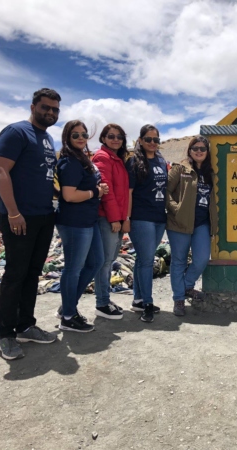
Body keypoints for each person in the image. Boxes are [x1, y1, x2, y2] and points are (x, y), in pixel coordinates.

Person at [0, 88, 61, 360]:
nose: (51, 113)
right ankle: (6, 335)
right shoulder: (16, 132)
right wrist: (12, 212)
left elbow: (43, 176)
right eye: (46, 107)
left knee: (33, 273)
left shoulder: (48, 139)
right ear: (33, 107)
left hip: (44, 216)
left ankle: (25, 326)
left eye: (55, 109)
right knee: (15, 275)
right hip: (19, 217)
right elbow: (1, 170)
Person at [55, 120, 108, 332]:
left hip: (88, 220)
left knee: (96, 262)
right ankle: (68, 317)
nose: (80, 138)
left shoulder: (81, 158)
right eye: (75, 135)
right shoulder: (70, 161)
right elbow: (69, 195)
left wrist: (97, 188)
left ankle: (67, 307)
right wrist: (96, 192)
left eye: (84, 134)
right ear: (67, 137)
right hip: (74, 222)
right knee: (73, 268)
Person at [166, 136, 218, 316]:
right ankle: (178, 299)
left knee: (202, 258)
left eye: (203, 148)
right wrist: (176, 209)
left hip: (202, 223)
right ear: (190, 150)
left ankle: (187, 286)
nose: (199, 151)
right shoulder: (180, 169)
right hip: (179, 223)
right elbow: (166, 191)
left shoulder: (211, 172)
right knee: (179, 261)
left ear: (207, 152)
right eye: (195, 148)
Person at [126, 124, 168, 323]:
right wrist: (126, 218)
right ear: (140, 141)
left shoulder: (161, 160)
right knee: (147, 261)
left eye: (156, 139)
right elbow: (129, 193)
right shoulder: (134, 162)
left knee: (142, 260)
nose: (153, 143)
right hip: (141, 218)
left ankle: (138, 300)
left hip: (159, 217)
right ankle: (148, 304)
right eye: (148, 139)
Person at [91, 124, 130, 320]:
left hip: (117, 218)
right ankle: (102, 303)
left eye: (119, 137)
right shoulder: (102, 157)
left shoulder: (117, 159)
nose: (116, 140)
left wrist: (123, 218)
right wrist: (114, 218)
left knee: (109, 259)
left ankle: (104, 298)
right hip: (107, 217)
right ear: (103, 138)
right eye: (111, 136)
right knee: (105, 261)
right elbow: (106, 191)